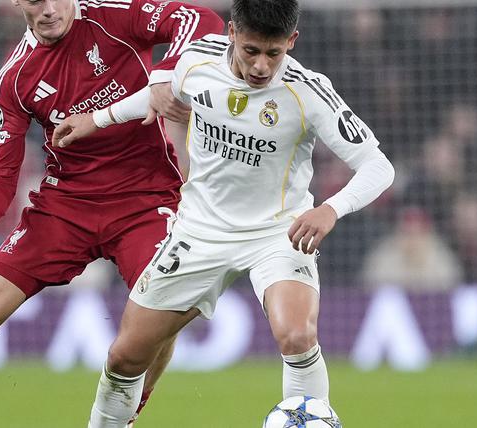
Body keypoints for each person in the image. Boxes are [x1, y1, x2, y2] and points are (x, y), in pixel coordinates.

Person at [0, 1, 223, 427]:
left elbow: (200, 19)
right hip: (65, 205)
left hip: (146, 199)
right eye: (35, 0)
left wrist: (166, 73)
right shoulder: (16, 75)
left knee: (161, 312)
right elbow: (3, 161)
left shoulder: (117, 15)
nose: (49, 9)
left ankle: (123, 416)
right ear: (17, 4)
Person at [52, 0, 395, 425]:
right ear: (232, 33)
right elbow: (160, 93)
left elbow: (379, 167)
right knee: (125, 357)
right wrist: (98, 119)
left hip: (277, 233)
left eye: (274, 53)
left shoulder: (308, 91)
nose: (261, 66)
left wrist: (331, 209)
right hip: (198, 232)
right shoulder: (197, 58)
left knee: (298, 335)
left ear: (292, 41)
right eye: (251, 50)